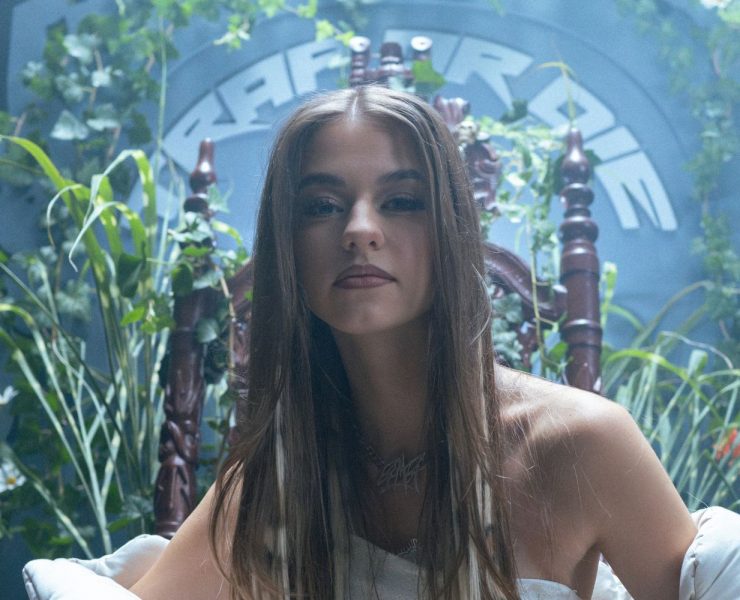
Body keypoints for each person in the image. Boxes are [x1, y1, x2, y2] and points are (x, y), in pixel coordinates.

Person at [126, 85, 699, 600]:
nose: (359, 230)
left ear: (452, 228)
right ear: (287, 247)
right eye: (321, 207)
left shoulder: (582, 444)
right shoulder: (276, 473)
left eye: (401, 201)